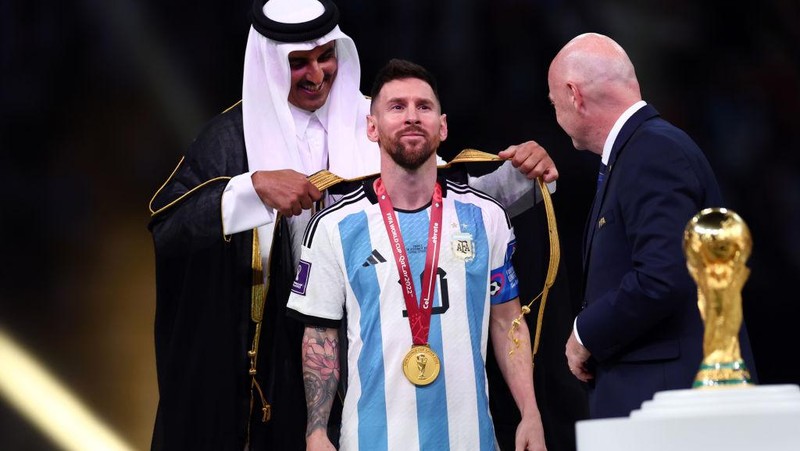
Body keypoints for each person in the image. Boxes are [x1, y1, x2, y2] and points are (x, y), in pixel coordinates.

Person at [147, 0, 558, 449]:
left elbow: (448, 197)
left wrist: (524, 177)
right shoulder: (229, 139)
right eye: (297, 63)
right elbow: (169, 226)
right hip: (272, 365)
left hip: (371, 357)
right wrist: (255, 189)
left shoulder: (379, 120)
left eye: (326, 57)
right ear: (268, 61)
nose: (317, 74)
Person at [287, 58, 547, 451]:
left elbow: (508, 321)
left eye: (423, 107)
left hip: (470, 439)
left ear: (442, 127)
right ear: (371, 128)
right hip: (370, 441)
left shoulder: (486, 216)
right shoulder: (333, 226)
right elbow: (320, 335)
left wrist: (530, 413)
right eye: (397, 107)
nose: (411, 117)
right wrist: (316, 431)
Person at [550, 32, 757, 419]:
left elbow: (663, 275)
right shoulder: (643, 149)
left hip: (670, 405)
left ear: (573, 95)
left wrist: (585, 333)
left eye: (553, 101)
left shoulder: (651, 151)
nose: (556, 113)